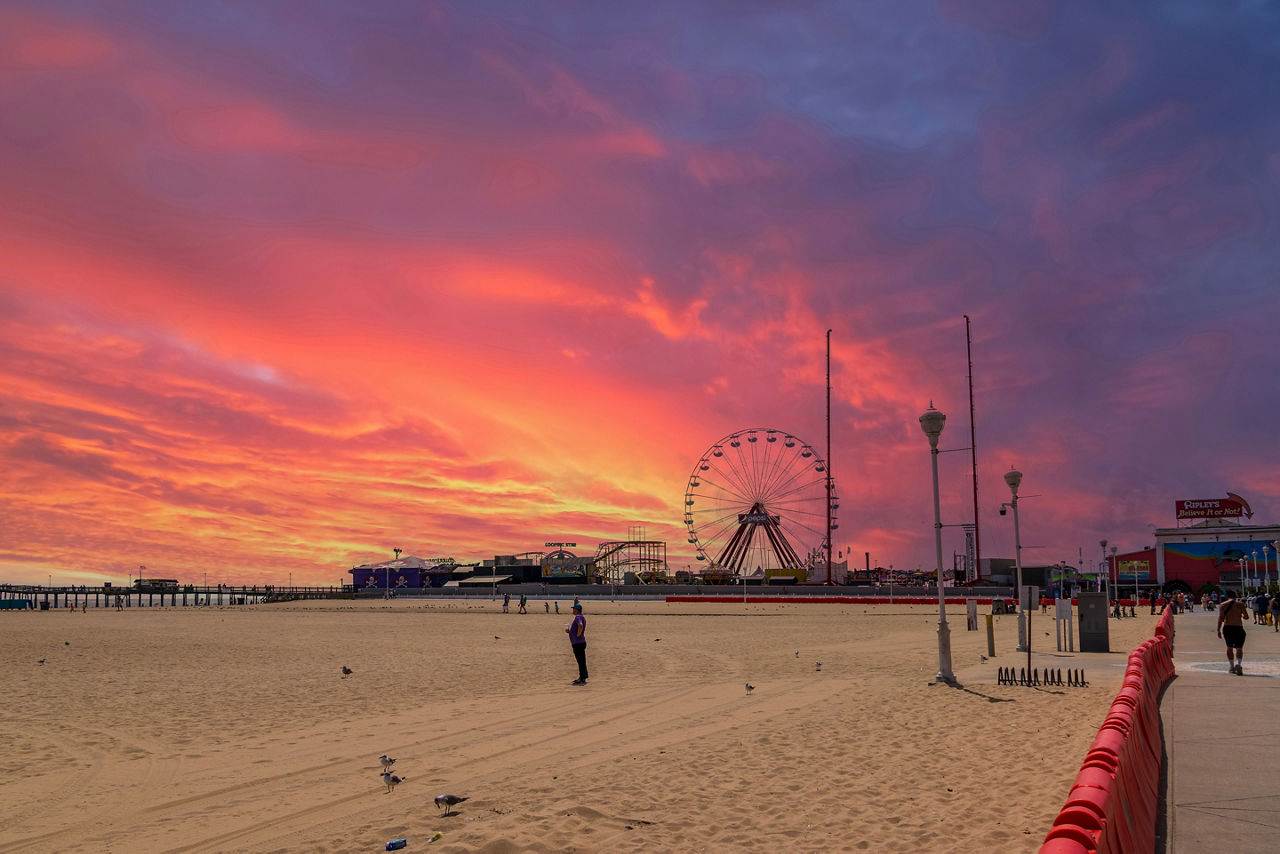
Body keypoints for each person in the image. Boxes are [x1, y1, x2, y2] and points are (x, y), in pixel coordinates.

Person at [1217, 590, 1249, 675]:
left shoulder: (1223, 605)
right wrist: (1241, 615)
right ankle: (1238, 664)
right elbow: (1246, 617)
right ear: (1235, 596)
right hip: (1238, 627)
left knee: (1229, 647)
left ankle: (1231, 666)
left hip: (1228, 627)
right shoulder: (1240, 604)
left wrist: (1218, 630)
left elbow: (1220, 618)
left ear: (1227, 596)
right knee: (1239, 648)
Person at [566, 602, 587, 685]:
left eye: (573, 609)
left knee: (580, 661)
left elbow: (580, 625)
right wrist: (570, 632)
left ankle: (582, 678)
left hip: (578, 643)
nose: (573, 610)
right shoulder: (581, 617)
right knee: (582, 661)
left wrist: (578, 634)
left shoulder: (578, 617)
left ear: (577, 610)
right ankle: (583, 677)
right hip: (580, 642)